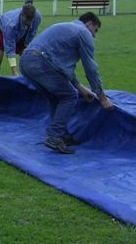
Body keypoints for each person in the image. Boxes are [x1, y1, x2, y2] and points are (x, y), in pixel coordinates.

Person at [19, 12, 115, 155]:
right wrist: (103, 98)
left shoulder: (67, 28)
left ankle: (62, 135)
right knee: (69, 96)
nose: (94, 36)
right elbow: (91, 69)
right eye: (95, 31)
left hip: (26, 61)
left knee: (56, 96)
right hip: (40, 62)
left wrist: (81, 88)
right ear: (89, 24)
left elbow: (60, 67)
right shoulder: (84, 33)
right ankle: (55, 135)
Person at [0, 3, 41, 75]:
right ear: (21, 14)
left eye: (31, 20)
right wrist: (14, 70)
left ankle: (30, 79)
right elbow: (10, 48)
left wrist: (26, 46)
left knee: (27, 55)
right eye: (27, 19)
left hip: (22, 32)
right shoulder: (10, 24)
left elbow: (32, 33)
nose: (29, 22)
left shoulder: (37, 17)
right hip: (1, 29)